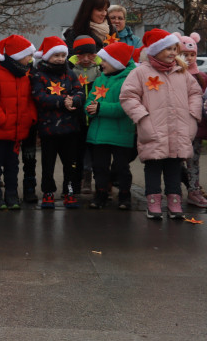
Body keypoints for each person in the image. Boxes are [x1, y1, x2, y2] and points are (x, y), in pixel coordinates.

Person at [120, 30, 202, 220]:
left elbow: (195, 93)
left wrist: (192, 116)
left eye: (175, 48)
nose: (173, 53)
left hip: (179, 129)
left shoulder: (182, 72)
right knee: (153, 167)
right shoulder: (141, 72)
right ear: (155, 50)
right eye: (168, 49)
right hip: (153, 128)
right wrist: (142, 117)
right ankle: (153, 201)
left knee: (174, 166)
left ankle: (174, 201)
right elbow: (128, 96)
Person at [0, 35, 38, 210]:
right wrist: (3, 120)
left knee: (12, 165)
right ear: (17, 55)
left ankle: (12, 195)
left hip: (15, 131)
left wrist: (29, 120)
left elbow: (29, 102)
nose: (30, 59)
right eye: (28, 55)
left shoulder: (24, 77)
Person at [30, 36, 85, 209]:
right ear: (47, 56)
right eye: (56, 55)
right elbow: (39, 96)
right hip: (49, 129)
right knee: (48, 164)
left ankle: (69, 191)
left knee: (70, 164)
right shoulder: (38, 74)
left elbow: (80, 92)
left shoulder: (70, 73)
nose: (60, 59)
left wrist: (74, 101)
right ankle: (48, 192)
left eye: (63, 55)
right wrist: (62, 102)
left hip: (70, 128)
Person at [84, 42, 137, 210]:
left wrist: (100, 108)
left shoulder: (129, 81)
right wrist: (89, 109)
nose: (101, 64)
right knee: (99, 167)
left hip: (121, 134)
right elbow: (89, 102)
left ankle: (124, 195)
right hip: (99, 134)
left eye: (105, 61)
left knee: (121, 167)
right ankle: (100, 194)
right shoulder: (100, 79)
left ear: (117, 62)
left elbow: (126, 107)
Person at [70, 35, 102, 195]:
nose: (86, 59)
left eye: (90, 55)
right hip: (78, 119)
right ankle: (82, 179)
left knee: (96, 152)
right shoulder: (71, 70)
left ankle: (99, 181)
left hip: (96, 118)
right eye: (82, 55)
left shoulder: (99, 69)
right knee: (79, 151)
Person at [178, 33, 207, 209]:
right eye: (184, 54)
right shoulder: (175, 74)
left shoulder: (202, 77)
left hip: (196, 127)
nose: (189, 58)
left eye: (192, 54)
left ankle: (194, 189)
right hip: (178, 125)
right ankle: (181, 189)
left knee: (193, 159)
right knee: (177, 160)